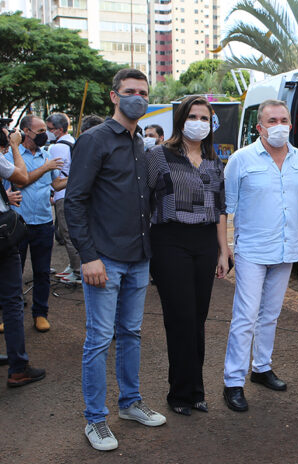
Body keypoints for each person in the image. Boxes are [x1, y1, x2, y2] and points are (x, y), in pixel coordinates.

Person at [65, 68, 166, 451]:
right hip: (105, 259)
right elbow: (74, 201)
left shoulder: (140, 141)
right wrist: (88, 257)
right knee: (98, 339)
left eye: (142, 92)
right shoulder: (94, 140)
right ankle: (95, 420)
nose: (137, 97)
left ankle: (130, 402)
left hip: (139, 257)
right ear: (113, 96)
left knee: (131, 334)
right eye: (129, 91)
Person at [222, 99, 298, 412]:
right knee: (245, 316)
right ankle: (233, 381)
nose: (278, 126)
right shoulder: (241, 159)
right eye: (271, 120)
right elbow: (227, 208)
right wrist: (226, 248)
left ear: (291, 124)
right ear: (259, 127)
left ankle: (261, 368)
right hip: (251, 250)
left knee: (271, 314)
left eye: (283, 120)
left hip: (286, 249)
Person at [146, 95, 231, 416]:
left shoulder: (214, 160)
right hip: (170, 241)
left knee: (197, 319)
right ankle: (179, 393)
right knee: (179, 318)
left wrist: (224, 251)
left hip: (205, 243)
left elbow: (220, 208)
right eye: (193, 116)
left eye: (205, 118)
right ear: (181, 120)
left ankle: (195, 390)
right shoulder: (159, 156)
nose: (199, 123)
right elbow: (145, 202)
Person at [4, 115, 66, 333]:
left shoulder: (46, 155)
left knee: (41, 272)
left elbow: (57, 184)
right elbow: (22, 180)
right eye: (39, 131)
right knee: (13, 273)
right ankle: (7, 315)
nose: (44, 135)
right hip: (18, 224)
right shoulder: (12, 155)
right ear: (24, 132)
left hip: (43, 222)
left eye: (45, 131)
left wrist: (78, 176)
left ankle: (40, 313)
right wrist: (46, 167)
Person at [0, 127, 46, 386]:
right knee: (12, 301)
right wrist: (15, 146)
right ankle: (18, 367)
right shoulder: (5, 154)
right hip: (2, 238)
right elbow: (20, 176)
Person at [46, 113, 81, 284]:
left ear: (59, 130)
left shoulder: (55, 148)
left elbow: (53, 176)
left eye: (49, 129)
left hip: (62, 195)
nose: (47, 132)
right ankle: (74, 266)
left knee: (67, 234)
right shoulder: (74, 142)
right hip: (74, 194)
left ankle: (77, 271)